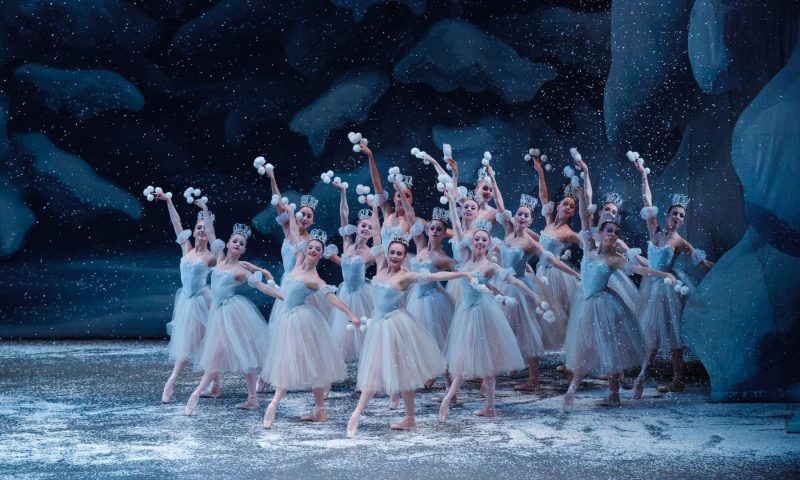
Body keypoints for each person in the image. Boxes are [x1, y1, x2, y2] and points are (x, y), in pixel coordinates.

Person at [346, 200, 469, 438]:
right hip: (379, 325)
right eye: (392, 252)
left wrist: (462, 273)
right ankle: (360, 414)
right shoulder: (380, 266)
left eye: (399, 254)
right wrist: (375, 208)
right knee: (374, 371)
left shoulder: (406, 276)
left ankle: (398, 417)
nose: (394, 256)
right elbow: (377, 234)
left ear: (404, 257)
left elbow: (435, 277)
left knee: (401, 373)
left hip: (394, 326)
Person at [562, 167, 674, 411]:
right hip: (587, 304)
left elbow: (640, 270)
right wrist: (580, 190)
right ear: (601, 232)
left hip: (605, 305)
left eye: (615, 232)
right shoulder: (589, 247)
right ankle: (573, 389)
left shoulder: (615, 259)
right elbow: (584, 217)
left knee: (610, 348)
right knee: (585, 348)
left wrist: (663, 273)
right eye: (609, 231)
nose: (612, 235)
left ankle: (612, 394)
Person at [261, 221, 362, 428]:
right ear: (305, 249)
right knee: (285, 362)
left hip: (302, 322)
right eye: (311, 247)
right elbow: (295, 234)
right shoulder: (297, 264)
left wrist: (350, 313)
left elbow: (331, 297)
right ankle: (307, 408)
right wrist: (290, 214)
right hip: (287, 319)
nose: (313, 250)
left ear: (321, 254)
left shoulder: (315, 279)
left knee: (311, 365)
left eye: (318, 249)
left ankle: (280, 405)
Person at [630, 159, 714, 398]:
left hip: (667, 289)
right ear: (667, 215)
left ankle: (674, 380)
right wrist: (643, 175)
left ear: (682, 221)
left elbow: (702, 262)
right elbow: (647, 200)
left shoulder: (680, 242)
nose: (677, 217)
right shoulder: (655, 231)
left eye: (681, 216)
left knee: (671, 335)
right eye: (675, 213)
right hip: (651, 285)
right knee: (653, 337)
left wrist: (722, 271)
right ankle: (646, 377)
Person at [184, 222, 282, 415]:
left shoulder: (241, 271)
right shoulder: (219, 259)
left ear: (243, 250)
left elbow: (262, 287)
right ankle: (251, 398)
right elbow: (211, 231)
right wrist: (205, 209)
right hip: (218, 313)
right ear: (227, 243)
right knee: (224, 355)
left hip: (232, 314)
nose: (237, 244)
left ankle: (197, 393)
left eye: (241, 243)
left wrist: (282, 296)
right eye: (235, 241)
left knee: (236, 355)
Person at [155, 193, 215, 403]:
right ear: (194, 230)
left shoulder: (210, 256)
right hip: (186, 302)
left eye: (205, 228)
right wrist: (169, 201)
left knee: (208, 342)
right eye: (198, 227)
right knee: (188, 344)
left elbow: (216, 242)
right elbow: (176, 222)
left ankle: (209, 384)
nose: (201, 230)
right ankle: (173, 381)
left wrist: (205, 210)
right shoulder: (186, 248)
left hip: (202, 301)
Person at [327, 178, 376, 362]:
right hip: (345, 292)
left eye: (370, 227)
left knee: (365, 334)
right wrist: (343, 192)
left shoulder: (369, 253)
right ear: (356, 228)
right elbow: (344, 215)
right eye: (363, 225)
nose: (366, 228)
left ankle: (367, 367)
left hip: (362, 295)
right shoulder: (347, 243)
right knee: (344, 336)